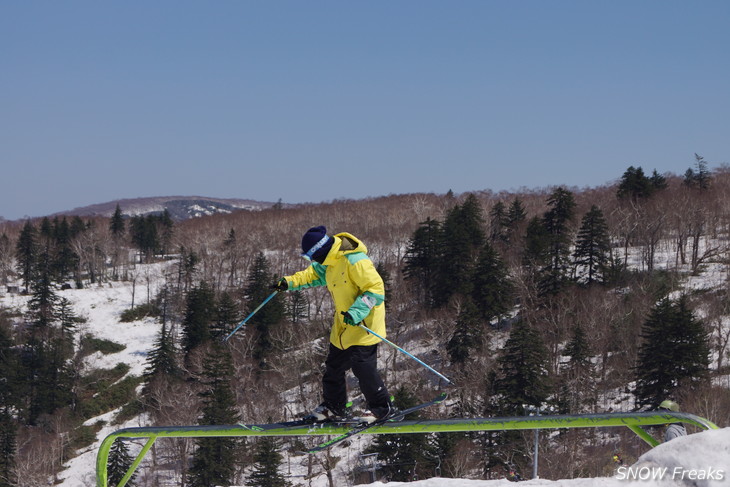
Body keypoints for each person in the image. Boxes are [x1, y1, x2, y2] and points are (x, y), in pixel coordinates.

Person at [274, 226, 395, 422]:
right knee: (334, 367)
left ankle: (382, 407)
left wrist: (356, 312)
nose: (312, 261)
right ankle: (335, 406)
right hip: (343, 326)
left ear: (320, 251)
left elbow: (375, 290)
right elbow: (312, 275)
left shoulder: (355, 261)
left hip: (365, 323)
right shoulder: (330, 262)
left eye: (311, 256)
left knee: (362, 366)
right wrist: (289, 282)